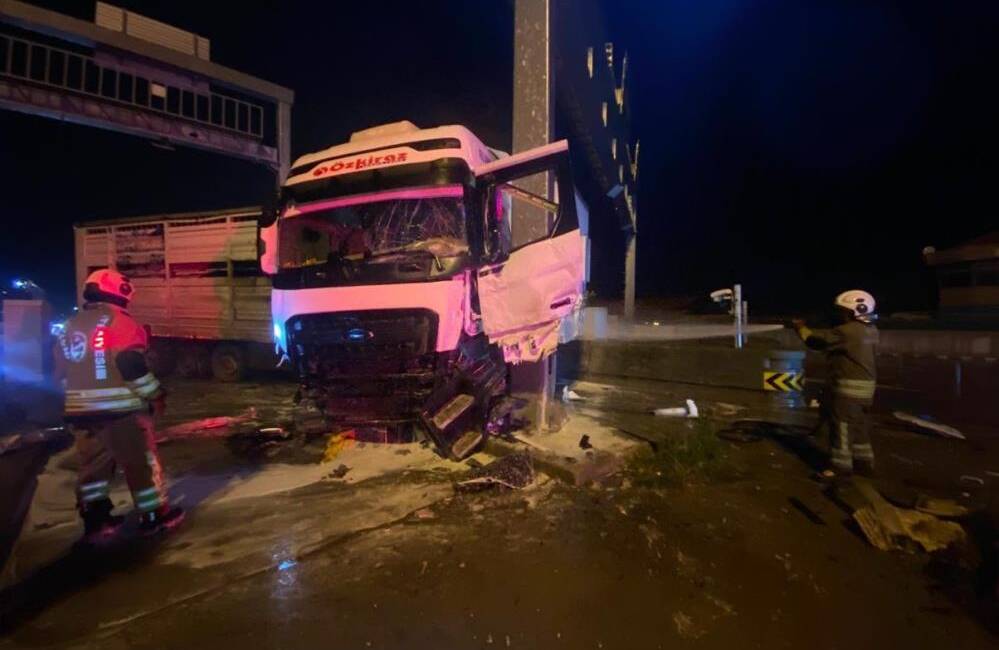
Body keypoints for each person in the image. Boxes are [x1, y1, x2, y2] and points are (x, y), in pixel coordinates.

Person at [55, 269, 183, 543]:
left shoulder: (71, 324)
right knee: (139, 465)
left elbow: (60, 370)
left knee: (93, 468)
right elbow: (130, 365)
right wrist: (156, 394)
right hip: (119, 412)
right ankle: (153, 517)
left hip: (79, 412)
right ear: (120, 292)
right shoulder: (120, 321)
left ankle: (96, 520)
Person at [792, 290, 879, 478]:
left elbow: (815, 341)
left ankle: (840, 468)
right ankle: (864, 463)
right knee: (859, 426)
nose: (840, 315)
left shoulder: (847, 331)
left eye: (843, 311)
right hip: (866, 391)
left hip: (848, 392)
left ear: (856, 310)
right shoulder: (871, 330)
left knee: (842, 428)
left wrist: (800, 328)